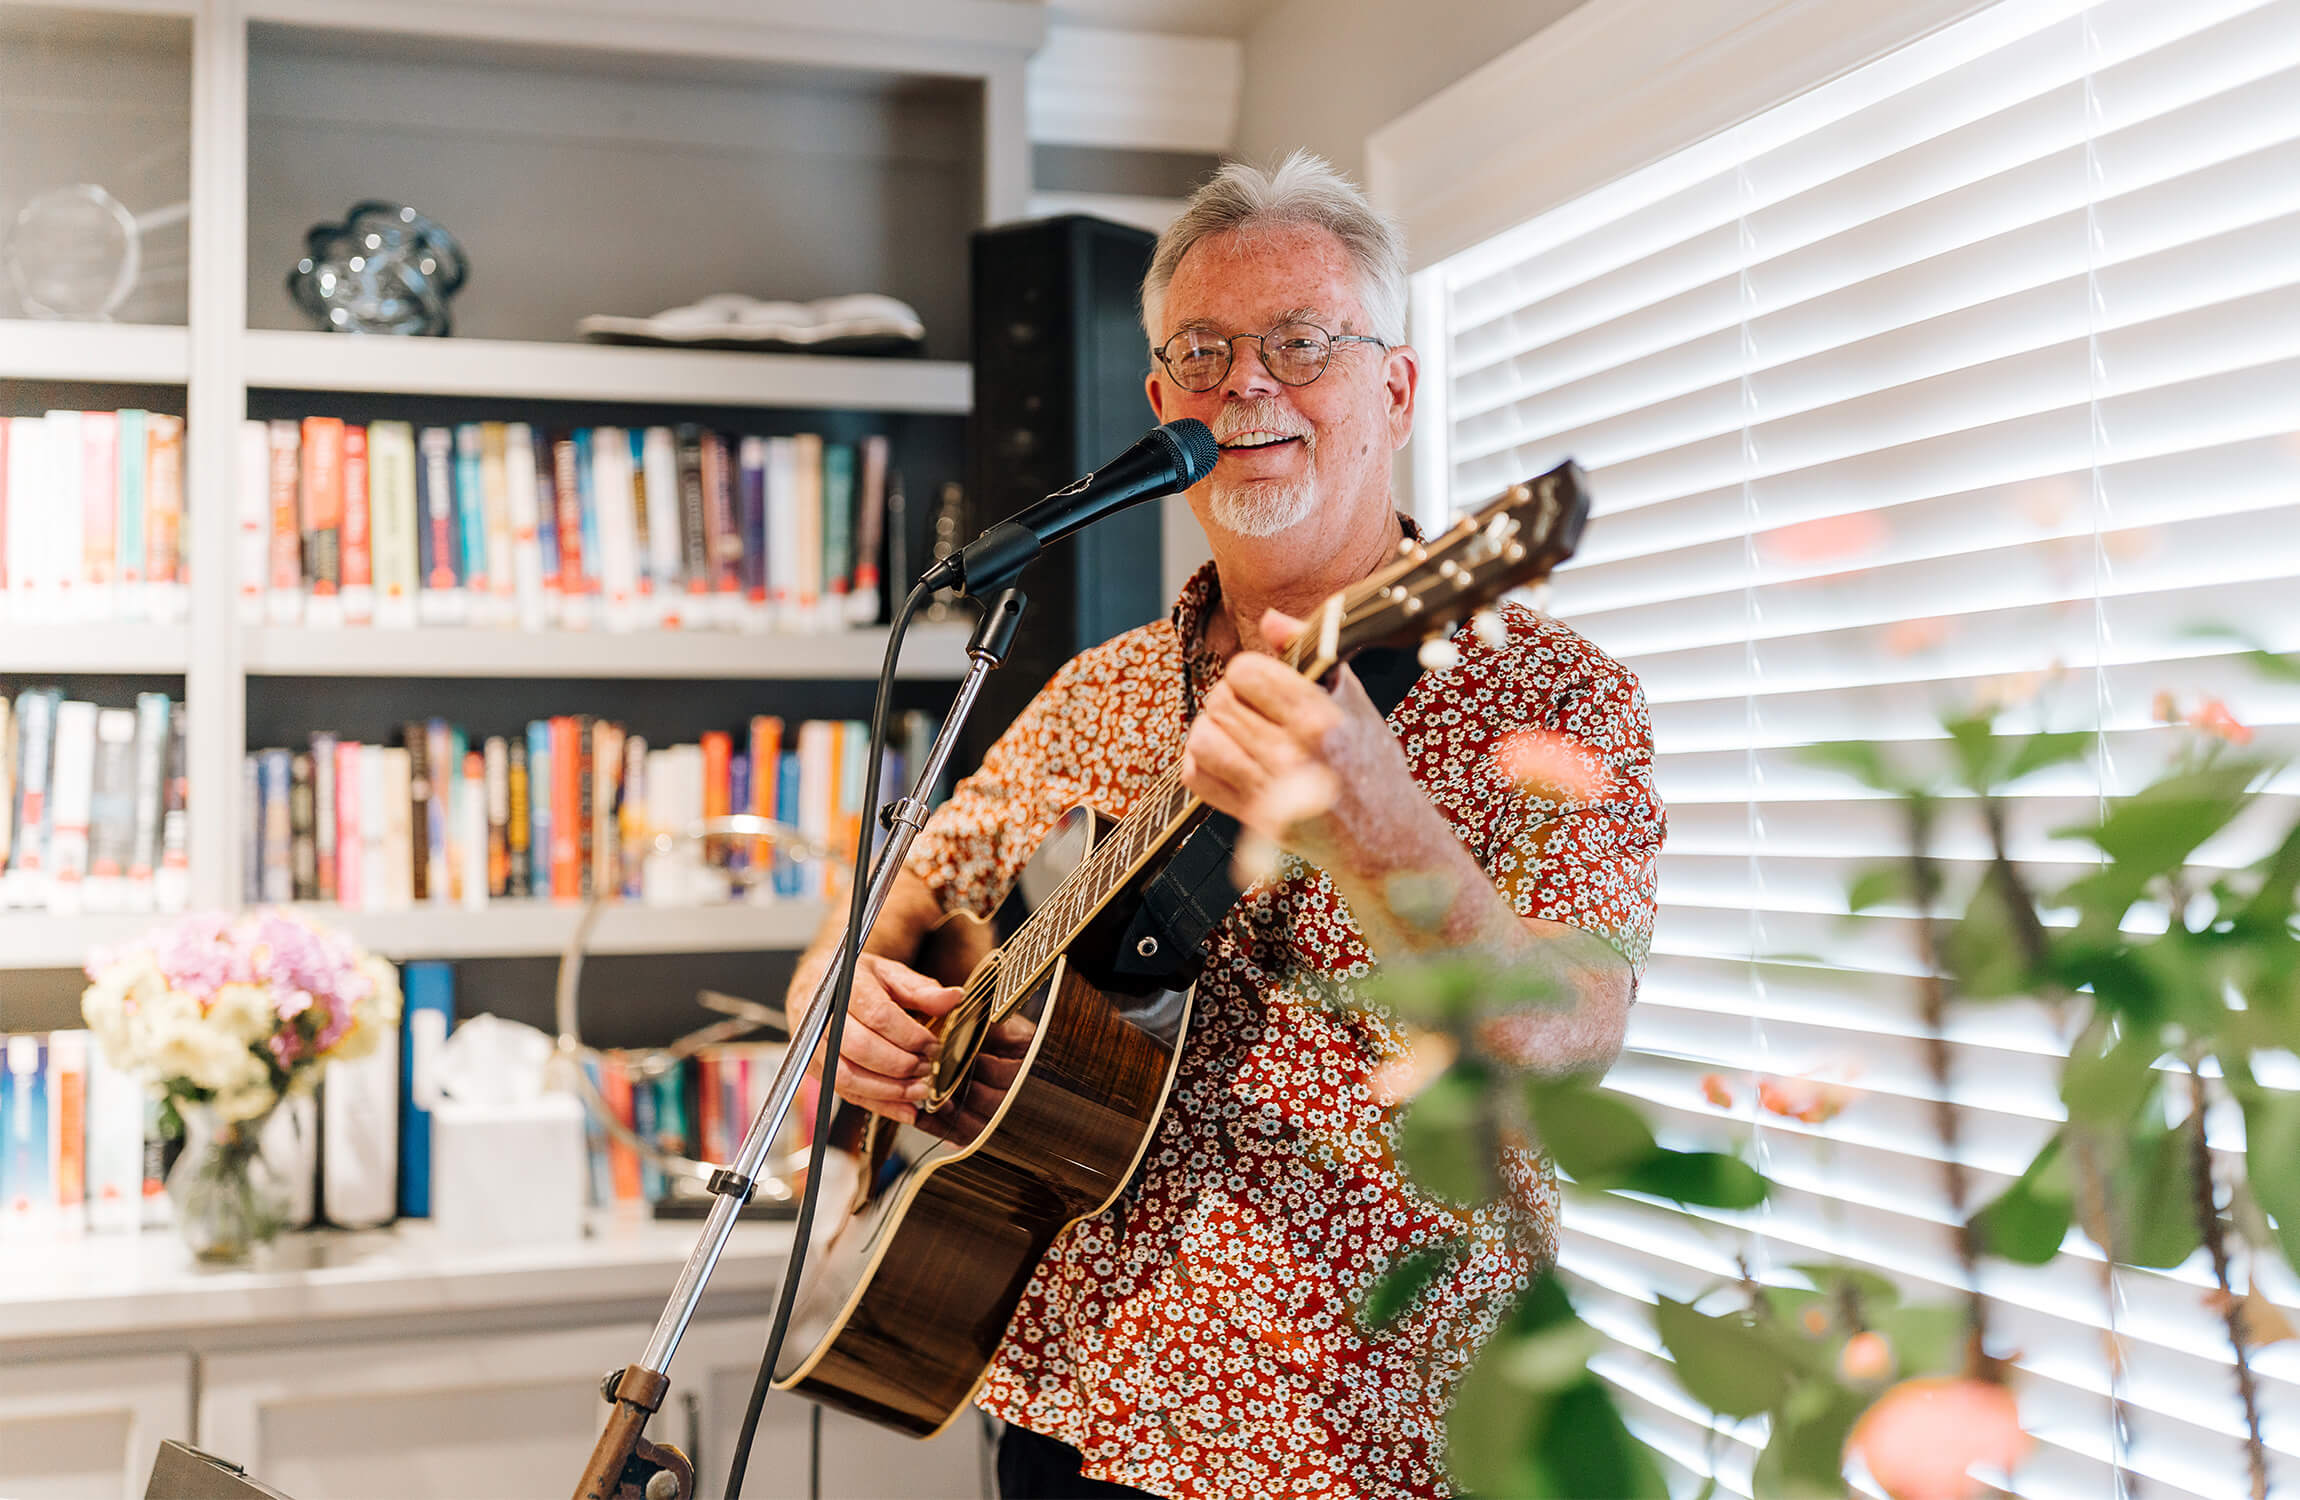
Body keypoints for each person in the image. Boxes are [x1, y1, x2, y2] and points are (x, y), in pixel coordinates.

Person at [783, 150, 1664, 1500]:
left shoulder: (1549, 696)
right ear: (1159, 404)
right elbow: (896, 904)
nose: (1247, 383)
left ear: (1399, 390)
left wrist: (1380, 828)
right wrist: (840, 1005)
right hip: (1065, 1414)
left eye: (1302, 342)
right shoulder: (1098, 690)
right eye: (1203, 353)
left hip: (1363, 1433)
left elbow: (1569, 1043)